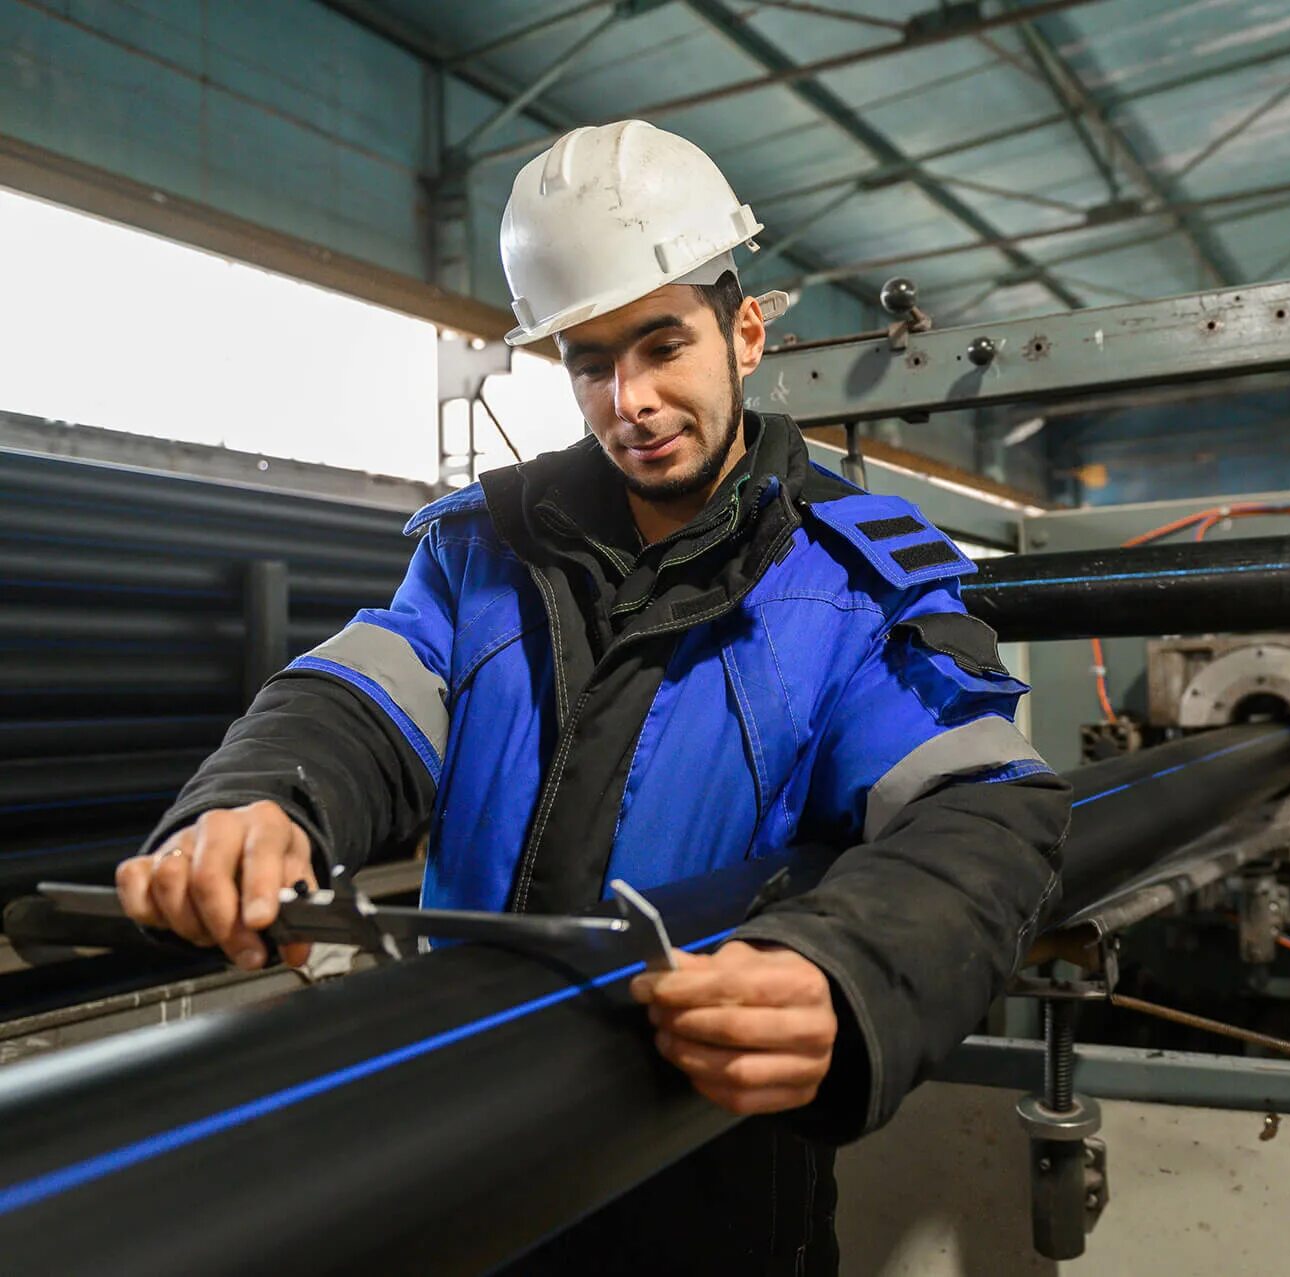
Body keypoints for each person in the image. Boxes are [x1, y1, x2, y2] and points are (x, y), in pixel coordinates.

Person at [111, 120, 1070, 1274]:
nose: (631, 399)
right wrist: (263, 803)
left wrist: (847, 969)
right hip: (455, 1135)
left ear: (745, 330)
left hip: (707, 1178)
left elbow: (979, 813)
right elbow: (355, 701)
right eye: (590, 359)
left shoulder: (864, 582)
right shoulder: (480, 553)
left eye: (663, 344)